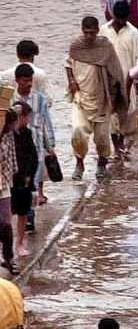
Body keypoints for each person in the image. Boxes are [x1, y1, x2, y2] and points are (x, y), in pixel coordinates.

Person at [66, 17, 128, 181]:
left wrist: (116, 96)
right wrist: (71, 80)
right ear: (82, 30)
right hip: (81, 98)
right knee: (78, 131)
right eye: (86, 33)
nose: (89, 36)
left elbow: (115, 71)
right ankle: (79, 163)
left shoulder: (105, 47)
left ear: (97, 31)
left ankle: (101, 165)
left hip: (102, 99)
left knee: (102, 137)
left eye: (92, 33)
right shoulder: (76, 46)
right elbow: (68, 65)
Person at [100, 1, 138, 160]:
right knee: (111, 116)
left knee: (126, 113)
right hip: (108, 81)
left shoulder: (133, 33)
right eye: (118, 19)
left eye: (124, 20)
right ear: (113, 16)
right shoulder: (104, 30)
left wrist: (134, 76)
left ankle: (121, 142)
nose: (121, 23)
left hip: (127, 80)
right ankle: (117, 147)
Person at [12, 64, 55, 231]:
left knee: (32, 183)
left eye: (30, 80)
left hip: (34, 150)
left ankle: (29, 216)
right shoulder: (8, 98)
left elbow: (45, 123)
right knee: (15, 185)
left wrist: (50, 147)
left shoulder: (40, 99)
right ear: (17, 80)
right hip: (14, 149)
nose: (28, 84)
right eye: (25, 80)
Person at [11, 102, 36, 258]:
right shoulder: (6, 133)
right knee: (6, 214)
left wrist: (28, 176)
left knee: (22, 212)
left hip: (24, 179)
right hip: (8, 179)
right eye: (26, 117)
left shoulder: (27, 133)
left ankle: (19, 242)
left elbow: (33, 156)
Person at [0, 40, 53, 105]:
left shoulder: (5, 74)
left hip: (11, 112)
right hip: (35, 112)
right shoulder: (41, 74)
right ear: (33, 55)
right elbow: (48, 100)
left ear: (17, 54)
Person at [0, 108, 18, 275]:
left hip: (3, 183)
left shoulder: (8, 136)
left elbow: (12, 158)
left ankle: (9, 257)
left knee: (6, 222)